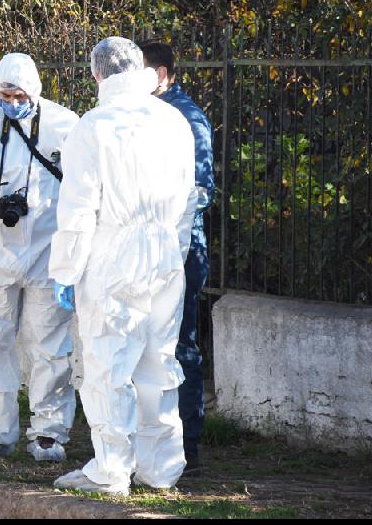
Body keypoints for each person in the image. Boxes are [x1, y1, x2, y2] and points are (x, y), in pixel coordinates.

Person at [49, 37, 197, 495]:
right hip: (165, 254)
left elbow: (77, 210)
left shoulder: (92, 127)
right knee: (158, 361)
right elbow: (189, 199)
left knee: (108, 363)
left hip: (112, 256)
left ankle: (111, 469)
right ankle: (161, 467)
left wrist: (66, 272)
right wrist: (176, 249)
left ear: (98, 74)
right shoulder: (173, 119)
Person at [0, 53, 80, 462]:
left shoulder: (66, 126)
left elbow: (82, 193)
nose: (12, 101)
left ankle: (49, 433)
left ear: (35, 90)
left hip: (48, 257)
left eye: (19, 94)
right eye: (4, 94)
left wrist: (74, 256)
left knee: (50, 347)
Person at [142, 41, 214, 476]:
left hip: (181, 250)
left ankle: (188, 444)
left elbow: (200, 190)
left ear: (163, 74)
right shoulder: (143, 114)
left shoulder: (187, 117)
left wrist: (168, 235)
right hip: (147, 249)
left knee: (180, 343)